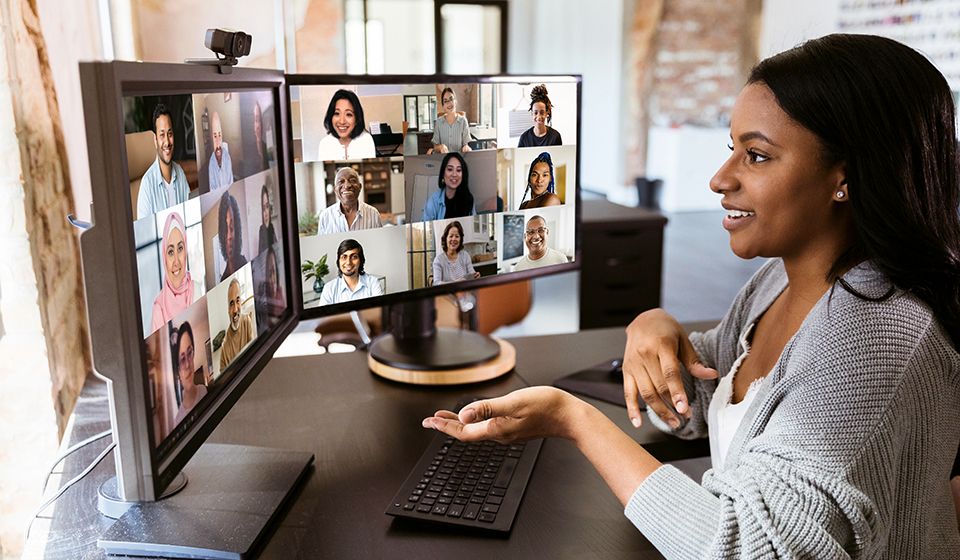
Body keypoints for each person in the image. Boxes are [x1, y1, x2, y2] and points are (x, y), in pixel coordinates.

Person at [422, 34, 960, 556]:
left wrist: (574, 420)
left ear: (844, 178)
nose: (719, 178)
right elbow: (705, 401)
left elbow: (744, 550)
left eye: (757, 156)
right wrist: (653, 330)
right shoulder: (779, 281)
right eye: (733, 149)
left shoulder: (877, 338)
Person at [137, 103, 190, 219]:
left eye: (170, 134)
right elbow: (144, 233)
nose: (167, 142)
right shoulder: (147, 185)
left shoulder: (180, 173)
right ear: (155, 141)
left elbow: (189, 215)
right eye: (162, 135)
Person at [150, 212, 194, 332]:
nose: (176, 261)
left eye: (180, 248)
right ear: (164, 257)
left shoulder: (196, 288)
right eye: (170, 252)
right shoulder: (158, 308)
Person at [316, 167, 383, 234]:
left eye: (352, 180)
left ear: (360, 187)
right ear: (335, 189)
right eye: (341, 181)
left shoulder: (374, 214)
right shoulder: (325, 217)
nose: (347, 185)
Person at [316, 89, 376, 161]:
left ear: (356, 119)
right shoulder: (325, 144)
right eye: (337, 113)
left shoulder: (366, 140)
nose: (342, 121)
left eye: (348, 114)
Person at [319, 239, 383, 304]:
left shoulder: (373, 283)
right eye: (344, 257)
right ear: (338, 261)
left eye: (354, 257)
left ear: (361, 260)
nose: (348, 262)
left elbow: (379, 312)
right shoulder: (329, 288)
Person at [422, 152, 476, 221]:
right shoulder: (433, 201)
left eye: (458, 170)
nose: (454, 174)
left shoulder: (469, 199)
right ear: (443, 174)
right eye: (450, 169)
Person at [173, 321, 206, 424]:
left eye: (189, 353)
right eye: (182, 359)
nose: (188, 364)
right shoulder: (178, 421)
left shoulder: (204, 390)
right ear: (178, 371)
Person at [219, 278, 255, 370]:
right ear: (227, 309)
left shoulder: (247, 320)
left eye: (237, 300)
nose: (235, 309)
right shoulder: (224, 349)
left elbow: (253, 354)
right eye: (231, 304)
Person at [432, 220, 479, 285]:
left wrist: (475, 276)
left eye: (457, 236)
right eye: (451, 236)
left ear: (460, 239)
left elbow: (472, 274)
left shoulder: (465, 255)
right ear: (446, 239)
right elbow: (436, 283)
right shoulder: (438, 260)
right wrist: (456, 282)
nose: (454, 239)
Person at [430, 87, 472, 154]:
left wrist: (466, 147)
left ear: (455, 102)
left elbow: (466, 144)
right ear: (443, 106)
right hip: (443, 160)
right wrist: (440, 147)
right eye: (445, 101)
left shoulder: (463, 121)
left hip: (458, 160)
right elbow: (435, 146)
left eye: (451, 99)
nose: (449, 103)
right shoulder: (438, 122)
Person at [218, 190, 248, 282]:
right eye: (225, 230)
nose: (229, 237)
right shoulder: (223, 279)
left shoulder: (244, 264)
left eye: (231, 228)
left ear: (237, 229)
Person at [255, 245, 285, 330]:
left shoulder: (280, 298)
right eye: (268, 274)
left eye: (273, 272)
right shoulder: (261, 307)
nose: (271, 280)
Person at [207, 111, 234, 190]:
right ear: (212, 138)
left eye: (219, 135)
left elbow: (231, 182)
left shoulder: (227, 157)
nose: (218, 142)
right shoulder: (211, 163)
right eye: (215, 136)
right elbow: (212, 189)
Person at [258, 183, 276, 254]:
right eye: (263, 208)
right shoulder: (261, 230)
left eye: (267, 206)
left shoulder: (271, 227)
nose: (266, 213)